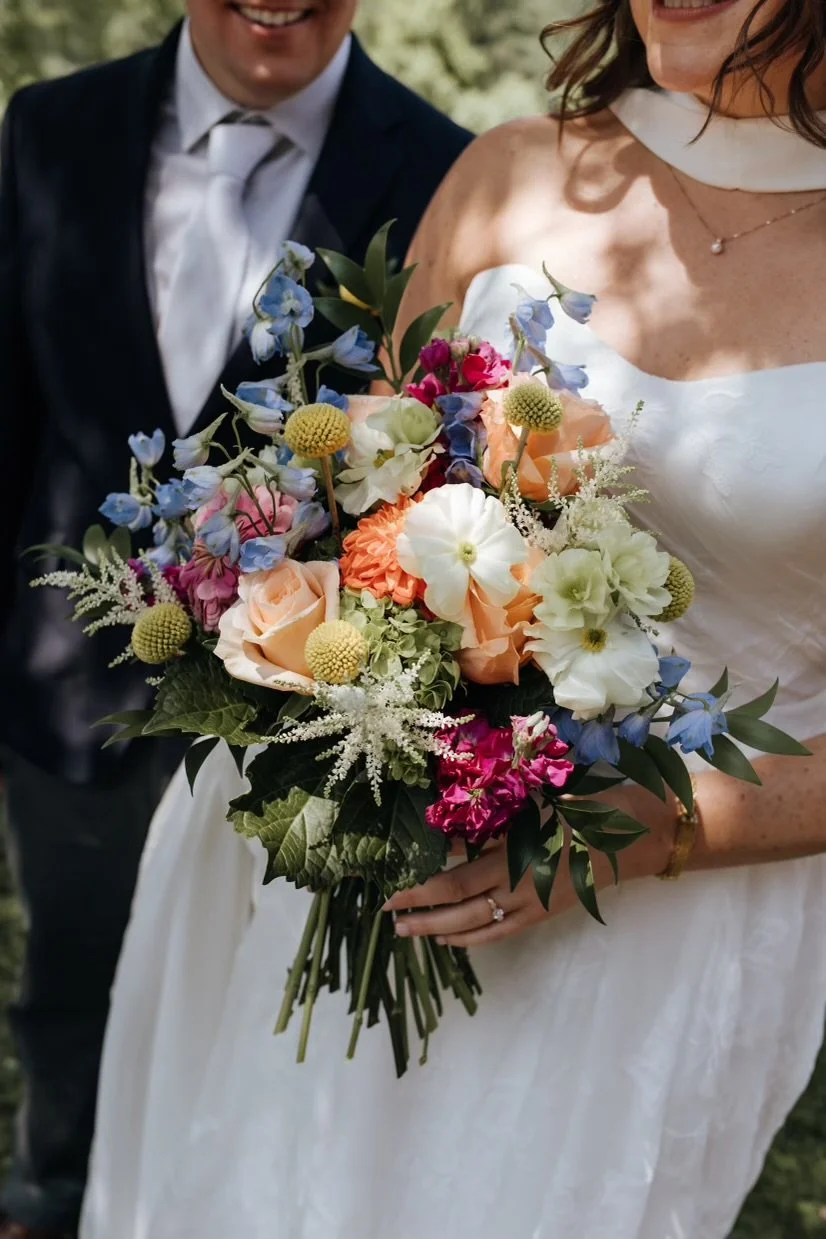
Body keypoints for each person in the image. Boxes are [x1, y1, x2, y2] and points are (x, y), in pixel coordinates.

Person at [80, 0, 826, 1234]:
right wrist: (364, 678)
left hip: (667, 915)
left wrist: (651, 827)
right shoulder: (517, 170)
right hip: (367, 836)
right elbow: (368, 479)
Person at [0, 1, 471, 1233]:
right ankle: (56, 1200)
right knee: (74, 995)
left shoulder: (447, 167)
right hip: (73, 689)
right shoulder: (51, 128)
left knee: (268, 1023)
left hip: (321, 725)